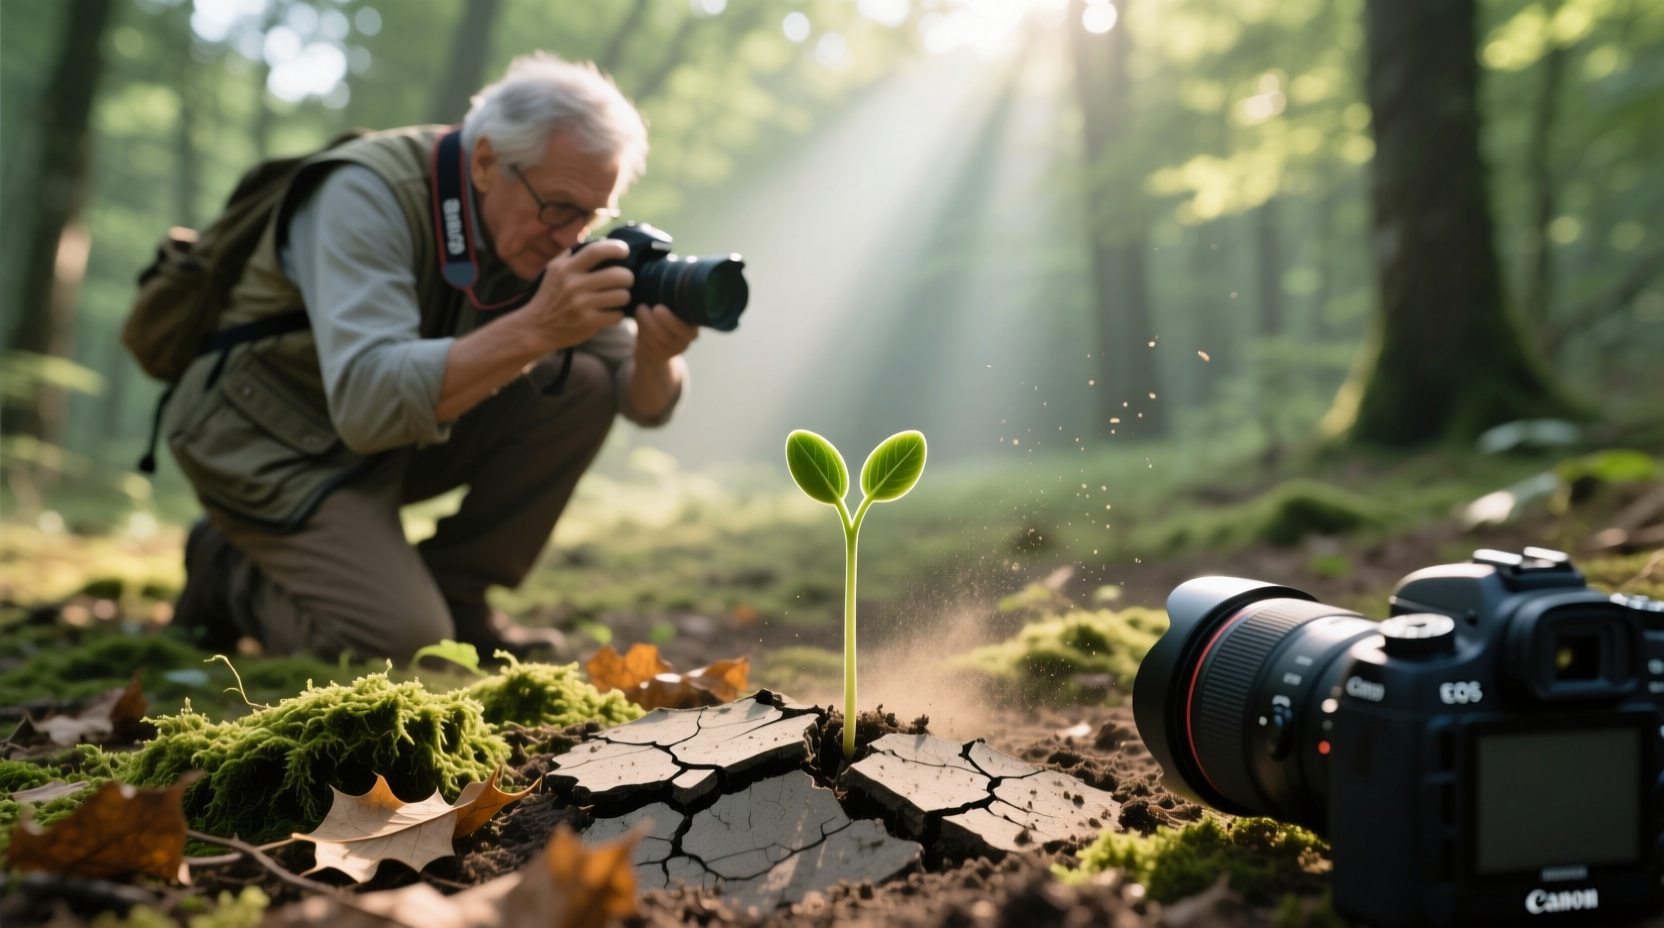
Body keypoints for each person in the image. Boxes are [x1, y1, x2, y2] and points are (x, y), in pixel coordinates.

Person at [166, 53, 696, 662]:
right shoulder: (365, 194)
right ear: (487, 161)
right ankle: (227, 569)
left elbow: (640, 401)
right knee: (401, 649)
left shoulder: (539, 223)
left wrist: (658, 354)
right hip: (264, 442)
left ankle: (456, 594)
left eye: (591, 215)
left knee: (586, 384)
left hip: (373, 441)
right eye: (559, 207)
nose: (568, 237)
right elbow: (368, 401)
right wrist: (537, 327)